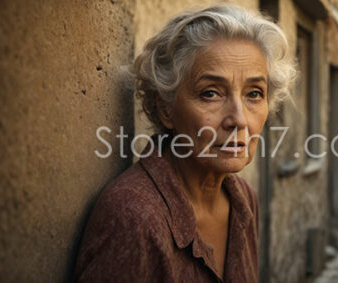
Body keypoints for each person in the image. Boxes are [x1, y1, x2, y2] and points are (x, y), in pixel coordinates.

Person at [74, 4, 296, 282]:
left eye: (254, 93)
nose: (239, 120)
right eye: (211, 93)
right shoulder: (135, 219)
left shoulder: (243, 200)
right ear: (166, 108)